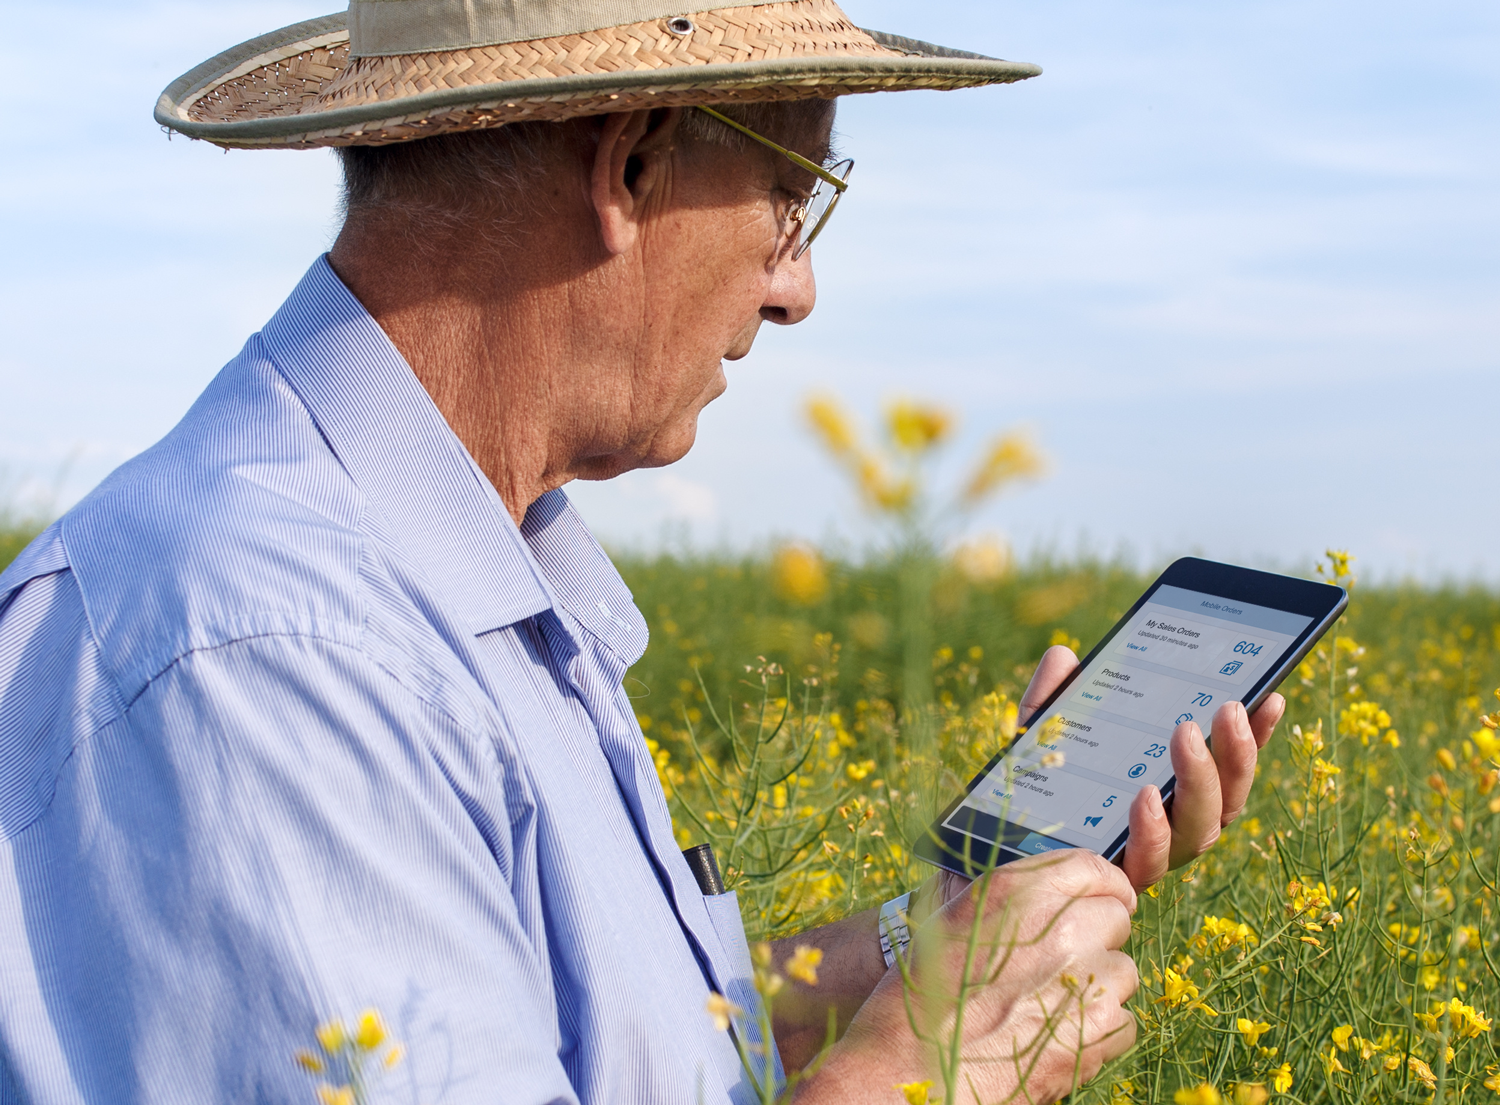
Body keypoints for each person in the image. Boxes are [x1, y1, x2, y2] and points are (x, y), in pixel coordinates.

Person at [0, 1, 1285, 1101]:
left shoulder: (449, 567)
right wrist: (923, 1066)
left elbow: (618, 1044)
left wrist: (947, 935)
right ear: (632, 165)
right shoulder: (268, 654)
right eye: (792, 199)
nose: (796, 287)